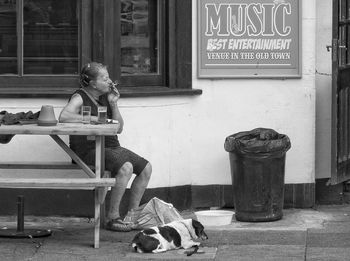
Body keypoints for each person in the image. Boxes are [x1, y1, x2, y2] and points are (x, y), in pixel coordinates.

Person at [59, 62, 152, 232]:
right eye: (105, 78)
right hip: (88, 150)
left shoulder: (106, 98)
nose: (110, 81)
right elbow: (64, 116)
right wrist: (93, 119)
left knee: (146, 168)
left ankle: (132, 217)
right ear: (93, 83)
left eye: (109, 77)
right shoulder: (80, 96)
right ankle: (113, 218)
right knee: (126, 167)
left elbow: (120, 128)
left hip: (111, 146)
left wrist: (114, 103)